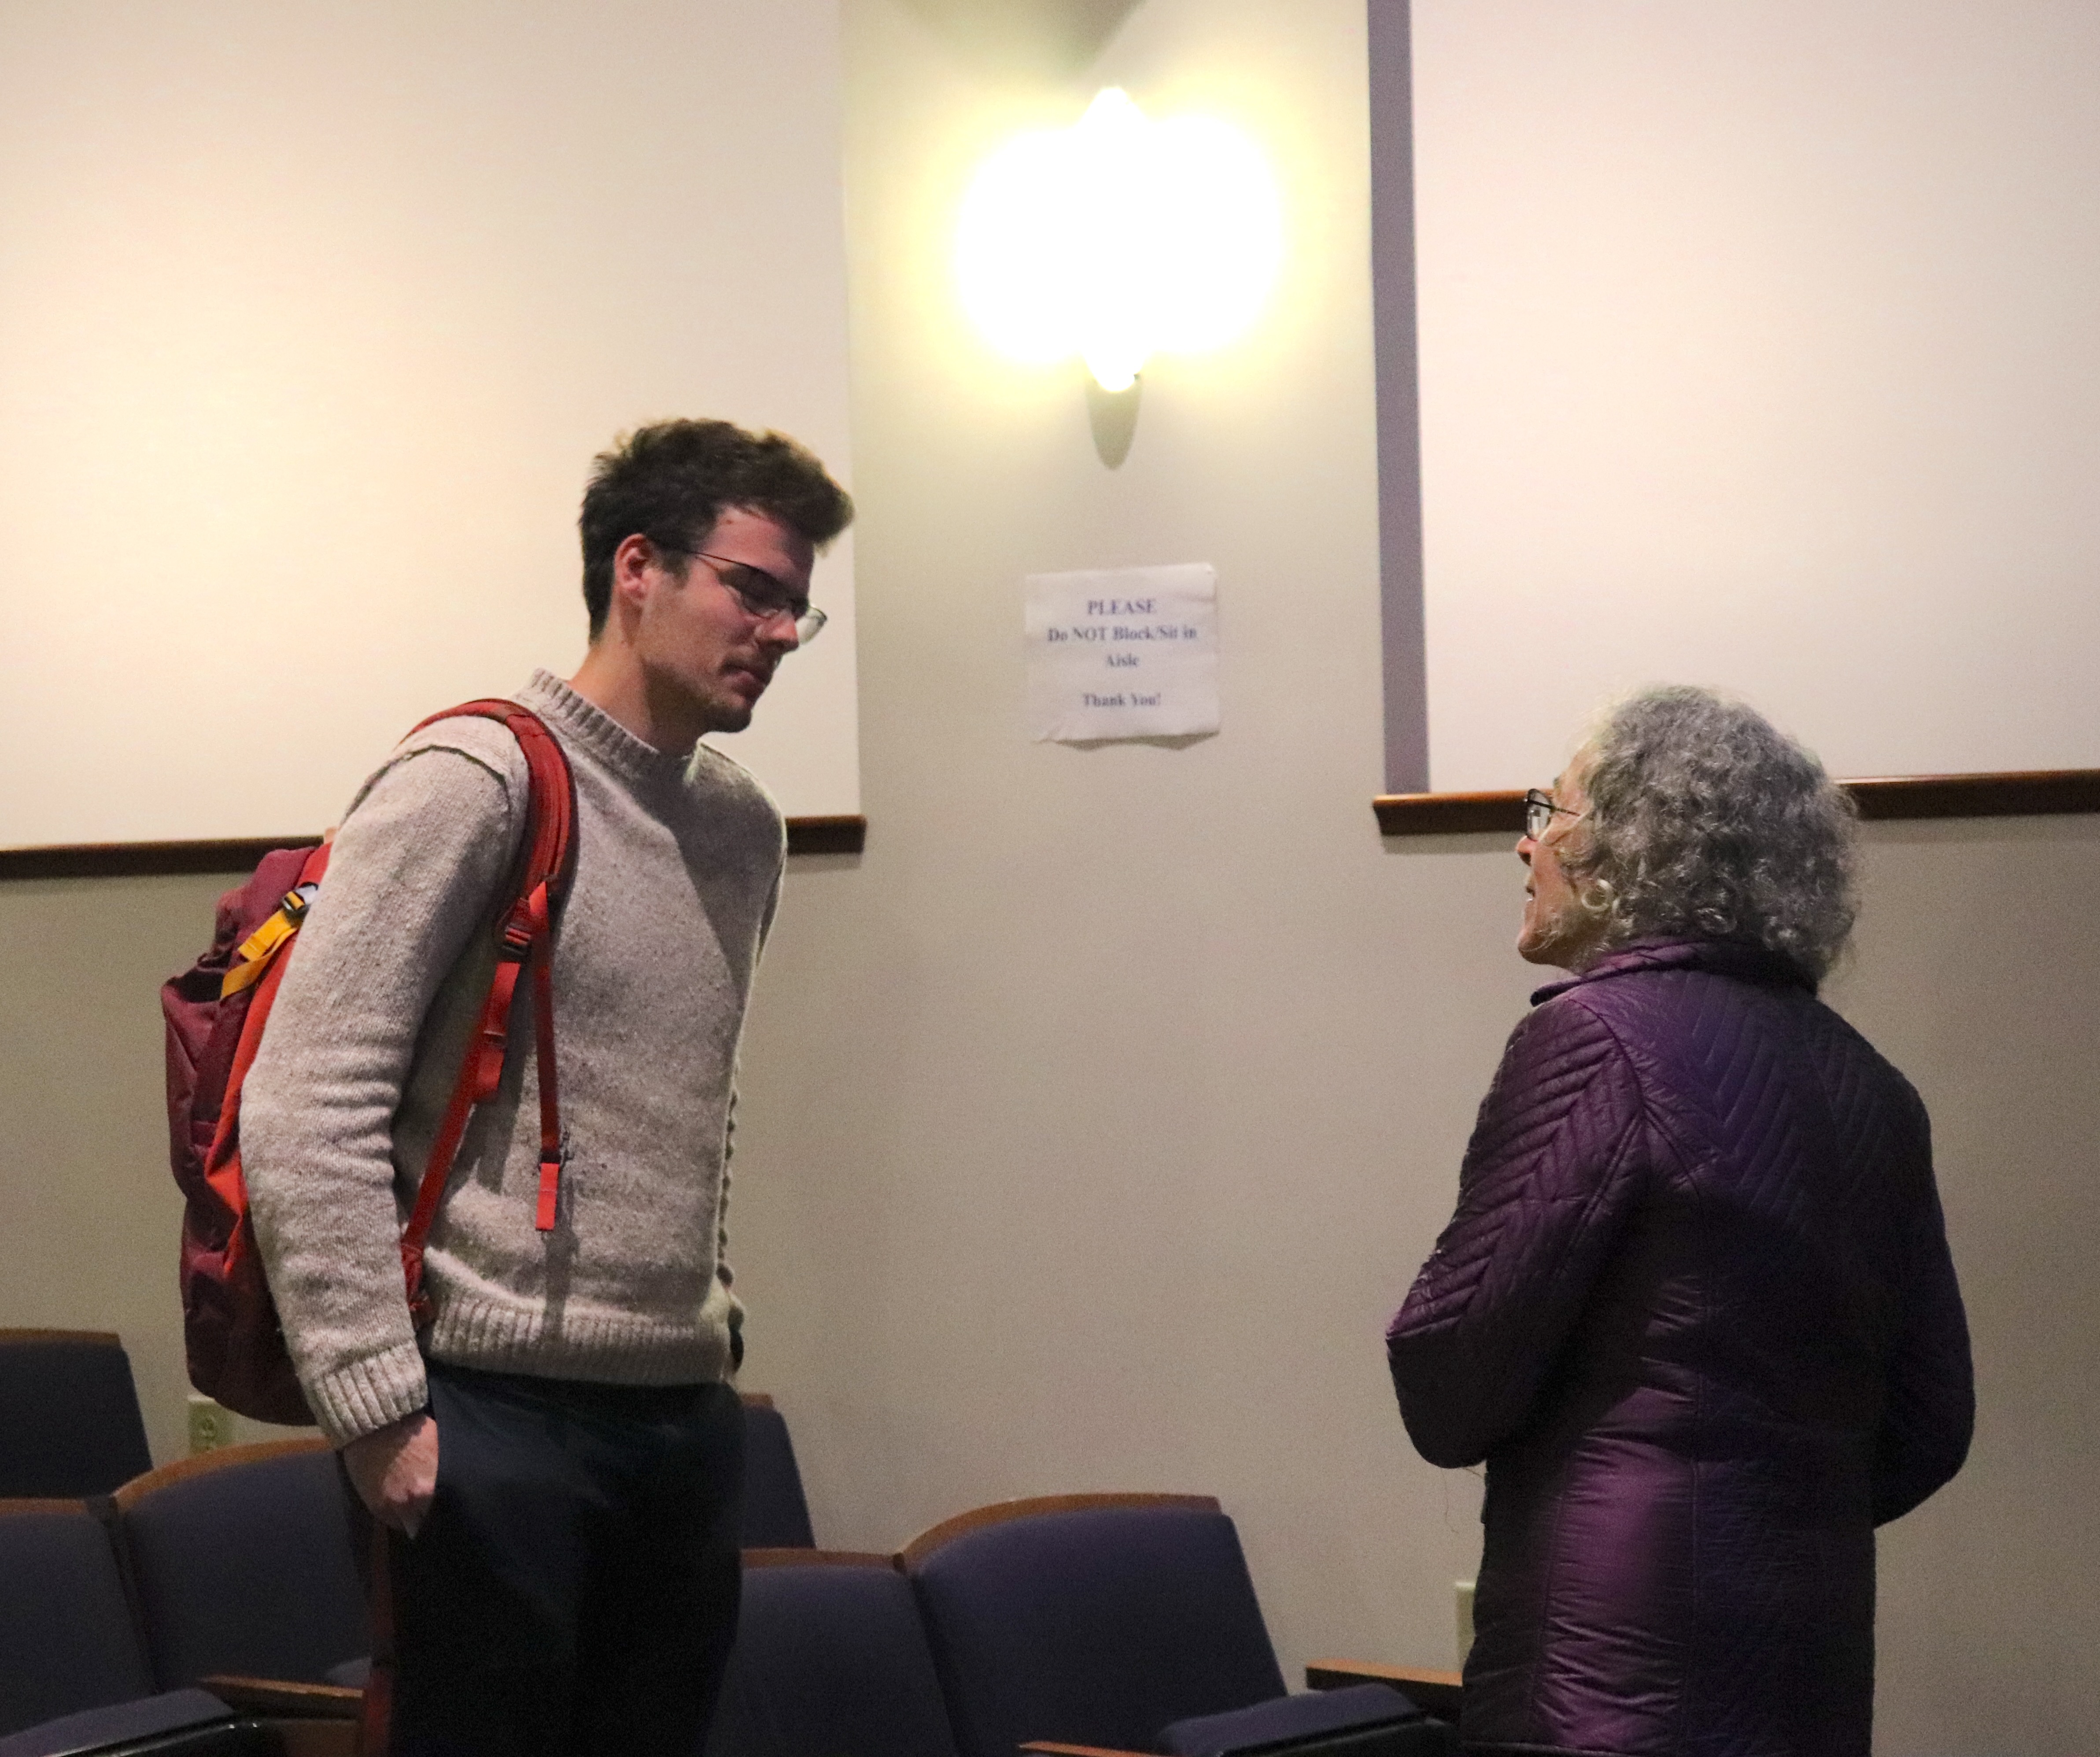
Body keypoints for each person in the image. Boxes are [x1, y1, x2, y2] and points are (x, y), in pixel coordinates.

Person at [242, 418, 853, 1755]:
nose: (778, 632)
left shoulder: (742, 826)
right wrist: (379, 1412)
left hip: (679, 1412)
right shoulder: (476, 777)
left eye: (798, 608)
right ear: (637, 569)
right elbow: (305, 1099)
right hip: (488, 1409)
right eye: (751, 588)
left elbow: (691, 1107)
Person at [1384, 685, 1973, 1757]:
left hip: (1605, 1676)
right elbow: (1932, 1424)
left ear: (1629, 845)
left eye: (1547, 813)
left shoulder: (1596, 1039)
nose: (1525, 850)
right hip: (1809, 1666)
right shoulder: (1873, 1088)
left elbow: (1448, 1377)